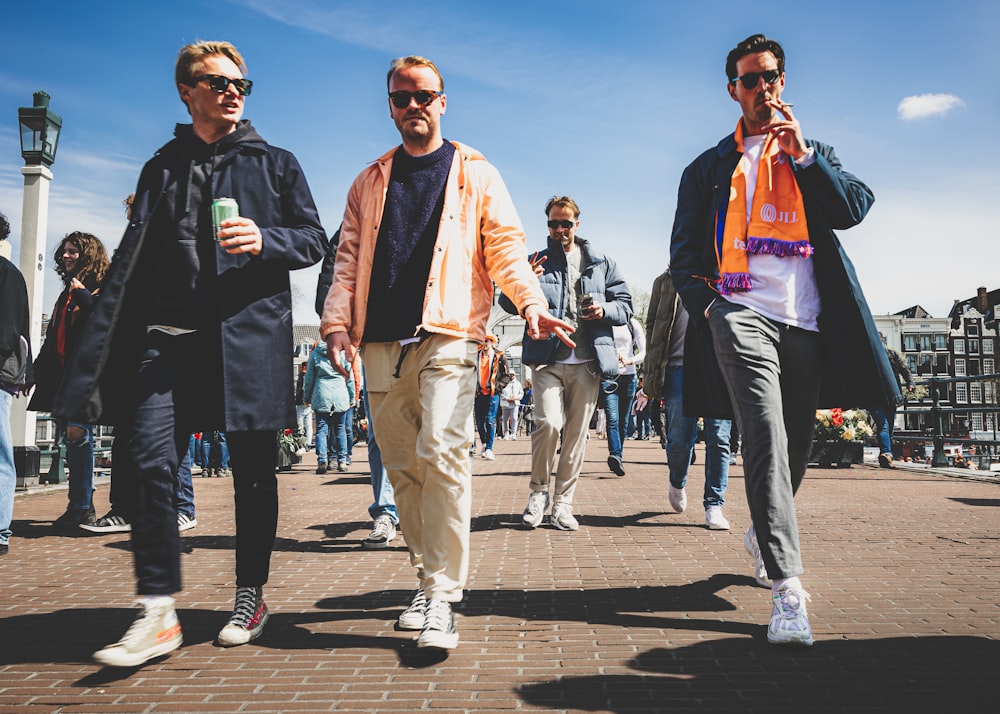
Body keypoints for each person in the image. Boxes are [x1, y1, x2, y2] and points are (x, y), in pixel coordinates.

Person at [52, 40, 327, 666]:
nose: (233, 92)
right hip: (165, 344)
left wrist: (267, 238)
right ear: (187, 91)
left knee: (254, 476)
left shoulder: (275, 163)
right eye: (219, 82)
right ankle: (158, 612)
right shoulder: (162, 165)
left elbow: (313, 239)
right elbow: (133, 258)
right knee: (147, 463)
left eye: (242, 85)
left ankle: (249, 594)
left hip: (246, 340)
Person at [320, 55, 572, 651]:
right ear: (389, 104)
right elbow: (348, 258)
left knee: (443, 453)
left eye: (425, 95)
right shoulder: (369, 180)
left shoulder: (475, 172)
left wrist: (529, 303)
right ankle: (426, 577)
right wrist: (335, 323)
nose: (415, 105)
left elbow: (506, 246)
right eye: (402, 97)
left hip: (451, 331)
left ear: (443, 101)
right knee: (403, 470)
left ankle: (442, 596)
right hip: (380, 339)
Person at [669, 34, 900, 646]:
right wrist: (714, 308)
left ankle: (764, 533)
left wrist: (804, 158)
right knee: (765, 438)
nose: (762, 88)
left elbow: (854, 207)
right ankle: (788, 588)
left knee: (794, 451)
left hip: (807, 321)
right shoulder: (707, 168)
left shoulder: (810, 152)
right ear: (732, 90)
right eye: (750, 80)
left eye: (771, 77)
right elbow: (685, 252)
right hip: (741, 313)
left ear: (783, 82)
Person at [501, 195, 633, 529]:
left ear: (578, 224)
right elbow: (505, 300)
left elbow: (626, 305)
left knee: (576, 435)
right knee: (549, 424)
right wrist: (522, 282)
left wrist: (604, 309)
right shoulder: (535, 259)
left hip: (587, 359)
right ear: (547, 224)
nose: (560, 229)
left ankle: (563, 503)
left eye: (566, 223)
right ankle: (537, 493)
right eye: (553, 223)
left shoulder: (600, 262)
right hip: (547, 357)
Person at [315, 227, 399, 549]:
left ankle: (419, 505)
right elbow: (333, 270)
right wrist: (336, 323)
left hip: (428, 334)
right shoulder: (361, 210)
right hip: (375, 335)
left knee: (428, 433)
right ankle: (386, 511)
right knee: (380, 433)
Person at [29, 232, 110, 529]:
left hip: (86, 376)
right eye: (64, 251)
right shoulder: (67, 293)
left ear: (87, 255)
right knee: (70, 438)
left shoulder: (100, 287)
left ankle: (82, 506)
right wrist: (33, 373)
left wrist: (84, 297)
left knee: (79, 435)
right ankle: (79, 503)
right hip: (63, 378)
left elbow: (105, 322)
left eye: (73, 251)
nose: (65, 256)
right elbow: (53, 338)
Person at [643, 267, 733, 530]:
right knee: (681, 438)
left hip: (719, 366)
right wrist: (652, 372)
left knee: (719, 436)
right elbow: (653, 326)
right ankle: (677, 480)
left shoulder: (729, 272)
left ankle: (714, 504)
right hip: (680, 367)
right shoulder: (666, 281)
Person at [1, 211, 35, 557]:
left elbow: (8, 332)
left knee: (0, 452)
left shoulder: (7, 274)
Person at [602, 316, 646, 476]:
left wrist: (629, 361)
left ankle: (617, 457)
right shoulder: (604, 322)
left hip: (628, 377)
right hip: (609, 376)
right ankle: (615, 454)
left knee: (624, 421)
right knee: (612, 417)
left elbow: (644, 352)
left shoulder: (632, 323)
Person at [303, 339, 353, 474]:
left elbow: (309, 379)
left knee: (321, 429)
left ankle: (322, 461)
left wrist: (306, 398)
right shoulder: (342, 353)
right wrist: (352, 397)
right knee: (340, 429)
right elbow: (350, 377)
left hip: (322, 393)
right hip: (340, 392)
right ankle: (342, 462)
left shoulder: (315, 354)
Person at [871, 336, 914, 468]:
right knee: (884, 425)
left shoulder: (870, 357)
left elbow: (903, 369)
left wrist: (910, 382)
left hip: (882, 397)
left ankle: (886, 456)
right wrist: (910, 383)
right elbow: (904, 369)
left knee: (886, 426)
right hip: (886, 396)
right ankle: (886, 453)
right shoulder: (891, 354)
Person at [475, 335, 509, 459]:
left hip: (492, 393)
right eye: (483, 340)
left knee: (490, 419)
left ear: (492, 342)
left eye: (488, 341)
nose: (485, 343)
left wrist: (497, 387)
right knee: (479, 422)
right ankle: (484, 443)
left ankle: (489, 448)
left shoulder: (500, 356)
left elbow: (507, 376)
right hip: (478, 393)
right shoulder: (475, 355)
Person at [294, 362, 314, 449]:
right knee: (308, 424)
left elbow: (301, 389)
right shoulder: (310, 376)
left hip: (301, 402)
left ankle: (301, 443)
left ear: (303, 367)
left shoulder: (302, 376)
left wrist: (296, 398)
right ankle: (308, 443)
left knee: (300, 424)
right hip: (309, 403)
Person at [499, 373, 524, 440]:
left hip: (514, 403)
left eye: (512, 375)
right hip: (505, 403)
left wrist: (515, 398)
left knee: (514, 418)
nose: (511, 376)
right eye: (510, 374)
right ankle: (506, 433)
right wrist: (507, 398)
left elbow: (521, 393)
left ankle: (513, 433)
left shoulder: (518, 384)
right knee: (505, 419)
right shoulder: (504, 383)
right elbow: (500, 392)